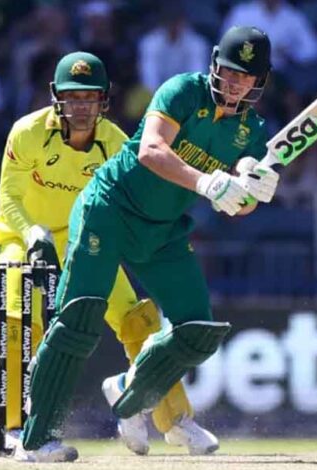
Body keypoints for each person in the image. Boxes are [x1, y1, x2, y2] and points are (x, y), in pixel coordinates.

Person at [16, 27, 280, 462]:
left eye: (245, 76)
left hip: (163, 229)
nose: (235, 82)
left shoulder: (251, 131)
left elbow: (237, 205)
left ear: (259, 80)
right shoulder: (183, 91)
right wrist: (208, 183)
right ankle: (37, 439)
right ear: (215, 64)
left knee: (198, 332)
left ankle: (129, 389)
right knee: (78, 317)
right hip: (110, 209)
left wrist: (254, 192)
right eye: (230, 71)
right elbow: (151, 150)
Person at [0, 51, 217, 459]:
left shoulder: (114, 142)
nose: (81, 107)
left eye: (90, 97)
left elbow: (127, 203)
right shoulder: (27, 132)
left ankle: (175, 420)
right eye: (73, 97)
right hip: (21, 235)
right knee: (19, 317)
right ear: (57, 97)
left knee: (137, 320)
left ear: (103, 100)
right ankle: (15, 430)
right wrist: (30, 231)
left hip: (84, 238)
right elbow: (8, 198)